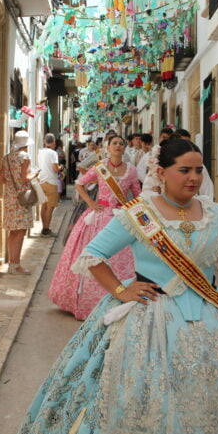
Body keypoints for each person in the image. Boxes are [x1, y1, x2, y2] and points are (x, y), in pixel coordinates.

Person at [14, 138, 218, 434]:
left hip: (212, 319)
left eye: (199, 171)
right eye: (184, 170)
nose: (194, 178)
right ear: (161, 173)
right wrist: (121, 289)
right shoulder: (140, 214)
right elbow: (92, 255)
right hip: (150, 319)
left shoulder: (213, 215)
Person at [47, 135, 141, 320]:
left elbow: (137, 193)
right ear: (107, 147)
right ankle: (89, 303)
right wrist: (90, 202)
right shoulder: (100, 167)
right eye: (114, 143)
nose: (118, 146)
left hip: (121, 218)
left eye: (121, 144)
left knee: (122, 259)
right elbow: (80, 183)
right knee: (95, 258)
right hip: (100, 216)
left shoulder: (131, 170)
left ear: (124, 148)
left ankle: (121, 297)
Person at [0, 130, 37, 275]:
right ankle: (16, 264)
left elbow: (0, 179)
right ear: (26, 145)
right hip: (22, 198)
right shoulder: (25, 157)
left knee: (12, 231)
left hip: (10, 198)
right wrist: (35, 173)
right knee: (21, 232)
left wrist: (11, 184)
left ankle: (11, 264)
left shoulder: (7, 158)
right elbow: (25, 178)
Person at [37, 133, 63, 237]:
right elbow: (55, 168)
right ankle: (46, 229)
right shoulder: (53, 153)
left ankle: (44, 228)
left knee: (44, 205)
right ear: (54, 142)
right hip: (51, 181)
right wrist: (61, 168)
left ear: (44, 141)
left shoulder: (40, 152)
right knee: (50, 207)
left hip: (42, 181)